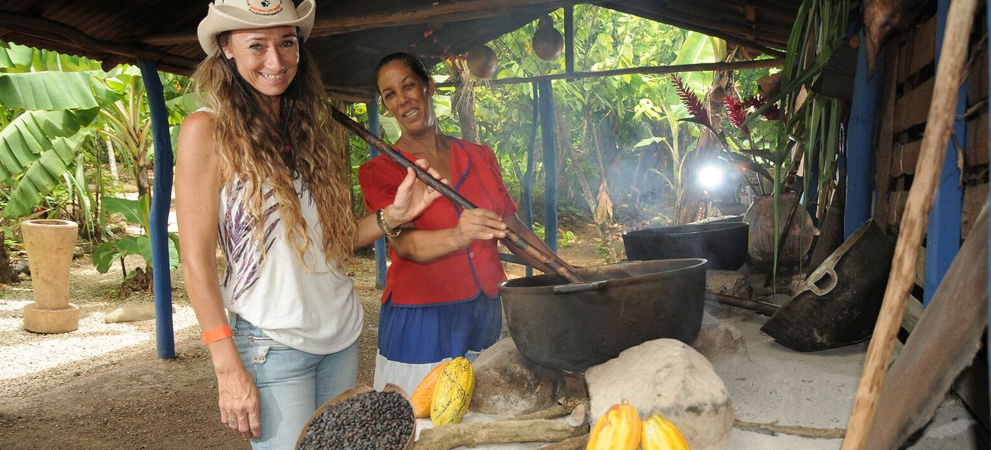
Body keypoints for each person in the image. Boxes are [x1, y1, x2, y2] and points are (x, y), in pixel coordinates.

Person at [175, 2, 444, 448]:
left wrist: (391, 217)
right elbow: (194, 260)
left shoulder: (308, 130)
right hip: (272, 346)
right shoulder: (207, 130)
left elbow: (335, 243)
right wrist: (225, 364)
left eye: (287, 43)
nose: (276, 61)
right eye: (256, 45)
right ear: (226, 48)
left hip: (340, 336)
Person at [358, 52, 559, 395]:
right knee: (417, 420)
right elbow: (407, 245)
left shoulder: (480, 157)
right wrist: (458, 235)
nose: (402, 99)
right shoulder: (381, 171)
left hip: (484, 309)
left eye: (408, 85)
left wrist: (565, 272)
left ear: (428, 87)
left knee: (479, 413)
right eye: (390, 94)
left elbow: (514, 231)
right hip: (421, 316)